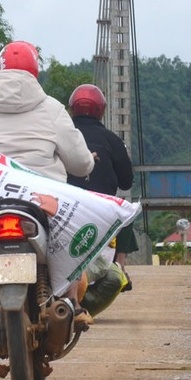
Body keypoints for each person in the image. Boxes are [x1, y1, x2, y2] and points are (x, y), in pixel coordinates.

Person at [0, 41, 95, 335]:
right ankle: (71, 301)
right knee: (70, 232)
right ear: (34, 72)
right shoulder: (52, 110)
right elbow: (80, 162)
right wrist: (86, 165)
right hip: (41, 201)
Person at [66, 83, 138, 290]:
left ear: (72, 108)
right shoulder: (113, 140)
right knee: (125, 210)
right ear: (101, 109)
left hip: (65, 205)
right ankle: (119, 266)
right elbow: (125, 182)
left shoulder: (61, 135)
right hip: (101, 210)